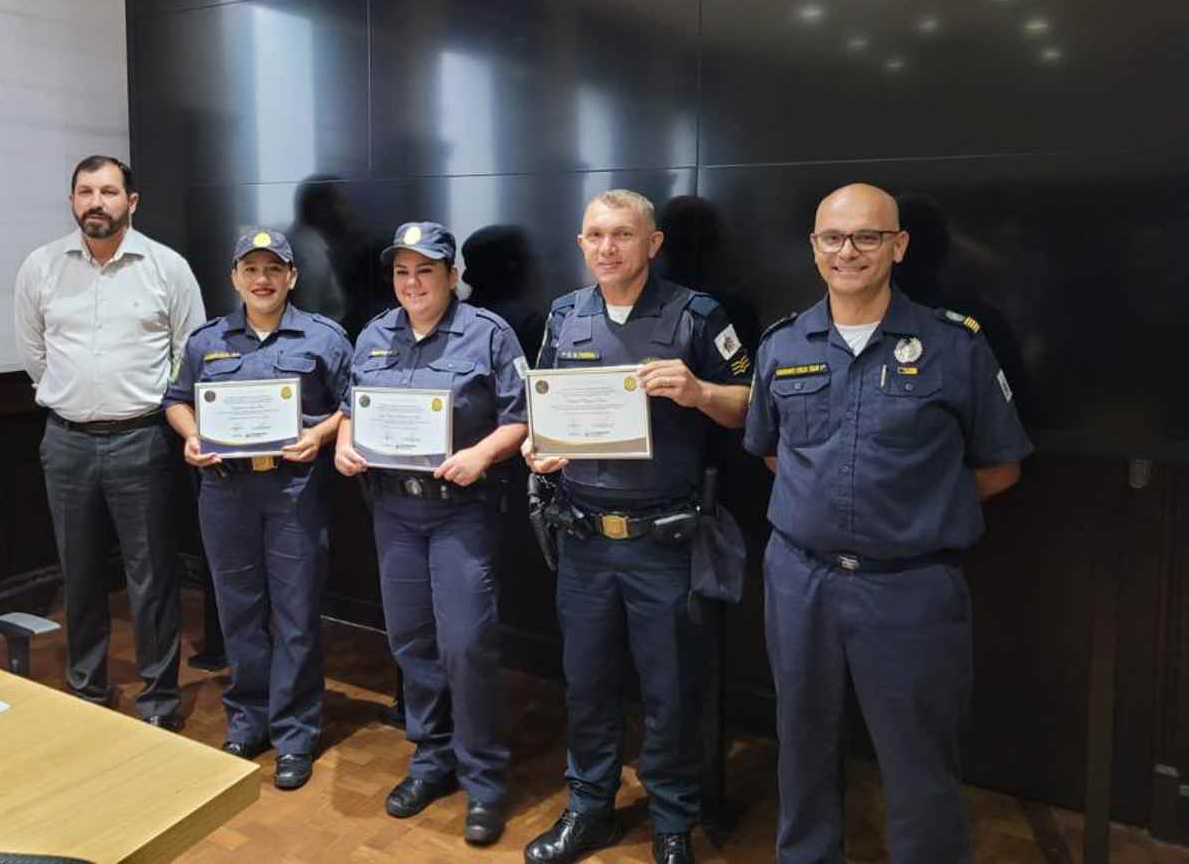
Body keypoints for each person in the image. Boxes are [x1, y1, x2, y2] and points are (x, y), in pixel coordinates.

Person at [744, 183, 1032, 864]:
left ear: (898, 246)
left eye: (867, 237)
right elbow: (772, 451)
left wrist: (918, 506)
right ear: (814, 248)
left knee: (918, 759)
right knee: (801, 744)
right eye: (833, 238)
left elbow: (1001, 467)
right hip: (800, 581)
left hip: (910, 587)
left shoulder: (954, 345)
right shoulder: (782, 343)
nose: (848, 251)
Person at [523, 189, 752, 864]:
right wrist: (538, 445)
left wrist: (700, 392)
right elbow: (545, 406)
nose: (607, 247)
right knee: (587, 685)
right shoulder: (565, 315)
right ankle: (588, 809)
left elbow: (751, 405)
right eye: (595, 235)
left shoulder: (697, 315)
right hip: (583, 538)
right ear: (580, 243)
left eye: (623, 234)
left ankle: (673, 819)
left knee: (670, 691)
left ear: (653, 243)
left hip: (664, 543)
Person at [334, 221, 528, 847]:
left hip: (460, 511)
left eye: (425, 271)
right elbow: (351, 409)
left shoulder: (488, 333)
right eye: (402, 272)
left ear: (452, 275)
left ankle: (484, 779)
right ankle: (431, 758)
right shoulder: (374, 335)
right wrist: (343, 446)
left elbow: (522, 417)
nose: (412, 283)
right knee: (412, 641)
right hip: (393, 512)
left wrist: (482, 454)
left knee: (466, 645)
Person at [13, 155, 205, 728]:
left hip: (141, 441)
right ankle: (88, 690)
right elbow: (33, 353)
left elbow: (190, 353)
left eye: (108, 191)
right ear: (72, 200)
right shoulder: (41, 267)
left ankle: (158, 700)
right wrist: (74, 395)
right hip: (66, 442)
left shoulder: (167, 268)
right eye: (85, 192)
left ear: (132, 201)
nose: (96, 202)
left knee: (151, 577)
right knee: (79, 572)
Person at [162, 228, 351, 790]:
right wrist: (192, 436)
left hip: (294, 490)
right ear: (234, 277)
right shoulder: (207, 341)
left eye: (273, 269)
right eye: (251, 269)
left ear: (292, 276)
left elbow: (354, 404)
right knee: (238, 610)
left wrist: (319, 437)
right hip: (225, 492)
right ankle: (249, 720)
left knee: (296, 612)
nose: (262, 279)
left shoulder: (324, 338)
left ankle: (295, 732)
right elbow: (176, 401)